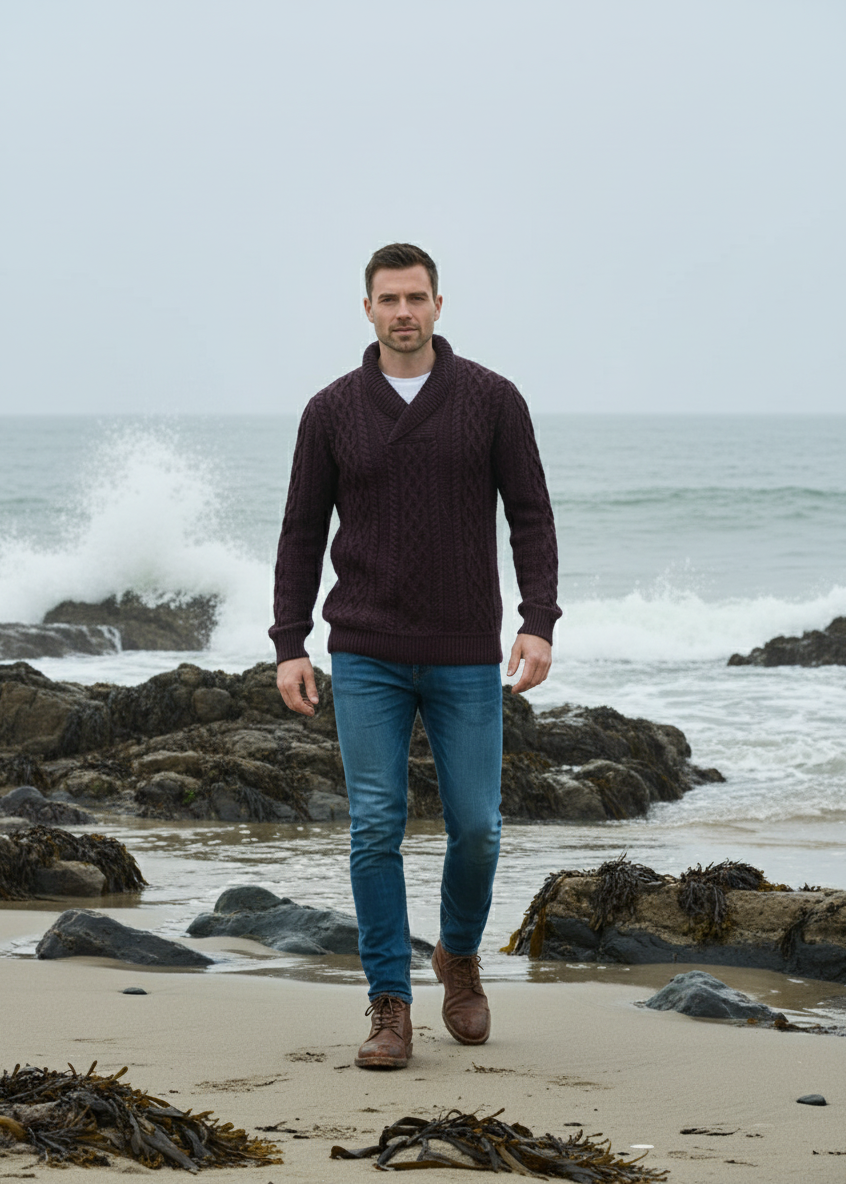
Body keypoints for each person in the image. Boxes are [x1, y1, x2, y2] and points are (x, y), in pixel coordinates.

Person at [270, 243, 560, 1069]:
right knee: (375, 828)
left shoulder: (492, 400)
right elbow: (300, 532)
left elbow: (531, 516)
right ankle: (388, 1004)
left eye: (417, 298)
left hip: (467, 651)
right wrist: (290, 641)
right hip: (364, 650)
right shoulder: (330, 411)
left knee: (477, 828)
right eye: (389, 299)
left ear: (440, 305)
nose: (404, 312)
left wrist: (538, 620)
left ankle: (457, 956)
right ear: (367, 309)